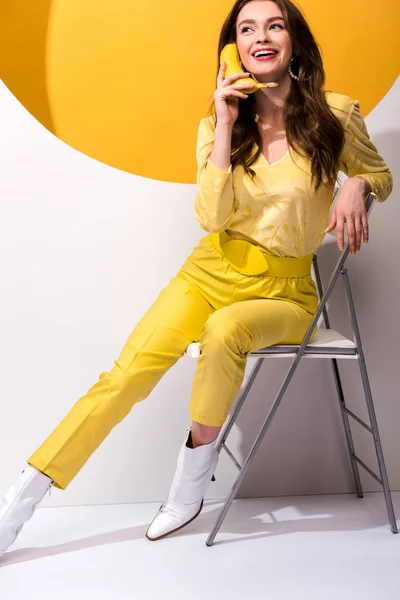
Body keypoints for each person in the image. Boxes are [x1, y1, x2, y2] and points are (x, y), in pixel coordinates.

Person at [0, 0, 393, 554]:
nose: (261, 37)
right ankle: (20, 502)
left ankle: (190, 483)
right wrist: (229, 122)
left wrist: (357, 184)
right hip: (208, 273)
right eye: (246, 29)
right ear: (232, 49)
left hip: (284, 291)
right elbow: (211, 218)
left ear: (294, 41)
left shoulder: (337, 113)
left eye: (274, 25)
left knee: (226, 330)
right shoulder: (217, 124)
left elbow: (380, 174)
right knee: (123, 378)